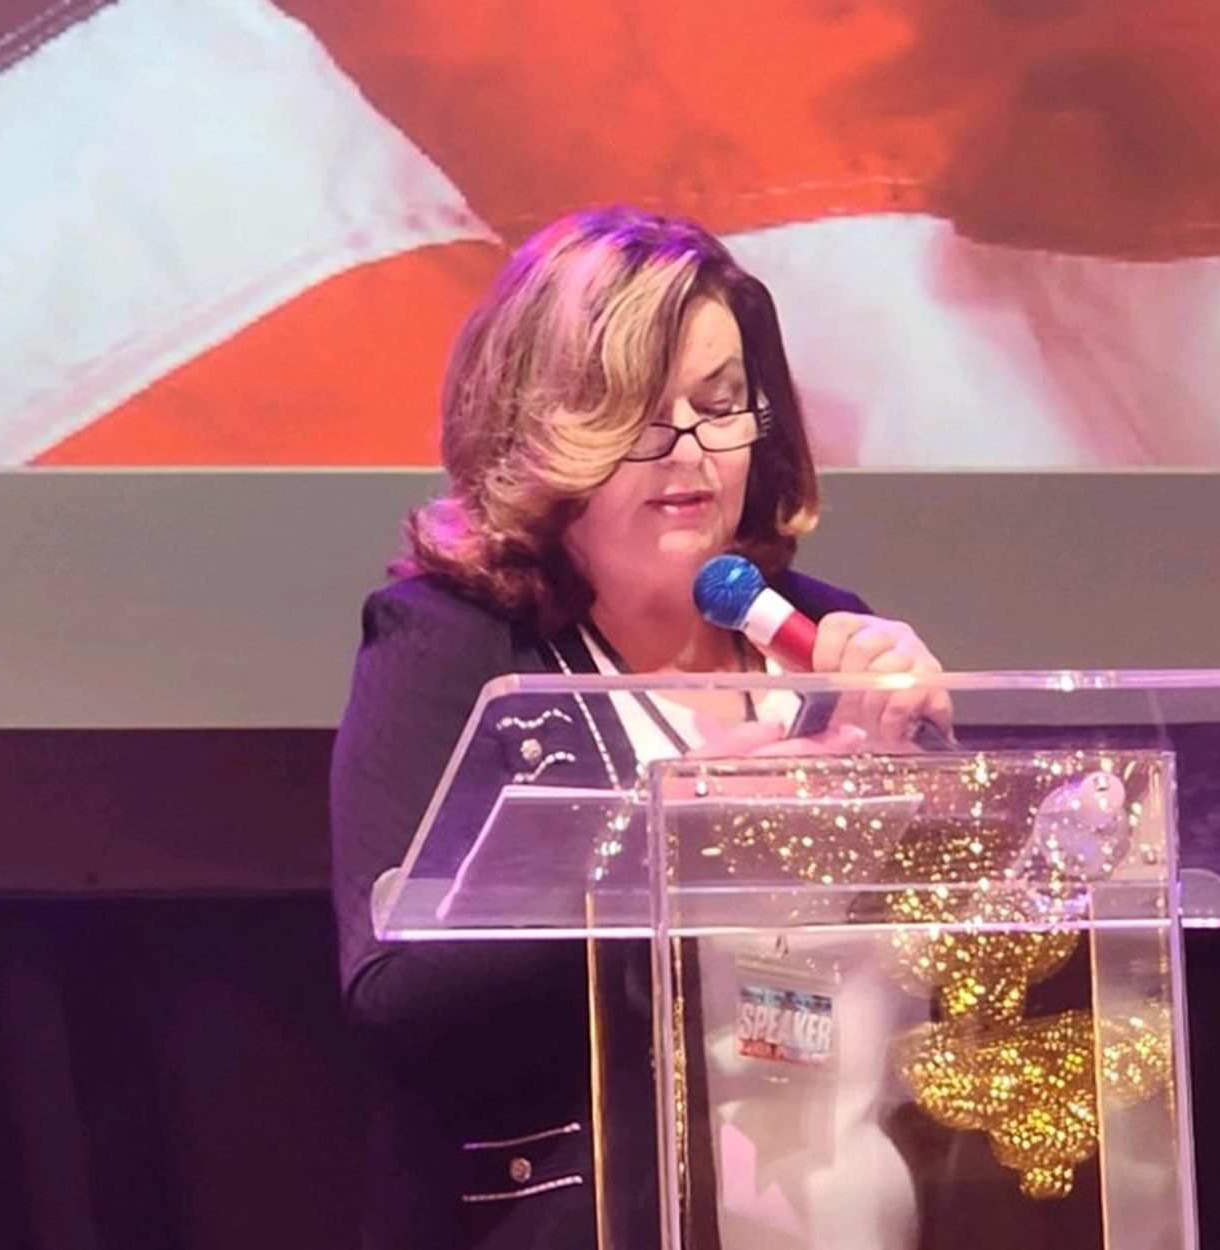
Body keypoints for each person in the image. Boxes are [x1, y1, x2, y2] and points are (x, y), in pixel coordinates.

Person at [328, 207, 950, 1250]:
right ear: (542, 429)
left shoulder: (825, 643)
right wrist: (654, 843)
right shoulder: (460, 648)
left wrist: (936, 778)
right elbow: (397, 997)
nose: (692, 453)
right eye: (639, 416)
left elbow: (973, 977)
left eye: (720, 405)